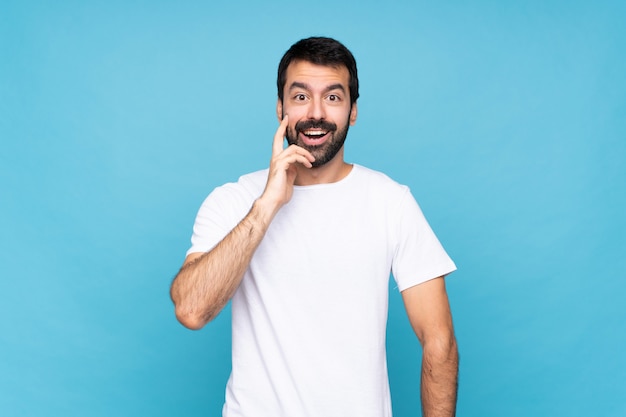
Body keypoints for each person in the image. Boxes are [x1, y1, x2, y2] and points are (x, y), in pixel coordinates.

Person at [170, 36, 458, 417]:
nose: (316, 113)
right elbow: (191, 310)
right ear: (280, 108)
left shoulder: (391, 201)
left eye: (334, 97)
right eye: (301, 96)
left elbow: (438, 340)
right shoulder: (234, 200)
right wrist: (267, 205)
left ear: (353, 111)